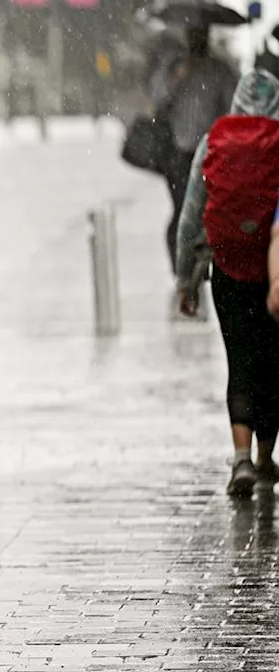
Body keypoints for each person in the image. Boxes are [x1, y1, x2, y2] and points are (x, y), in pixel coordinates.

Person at [175, 34, 279, 498]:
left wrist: (186, 279)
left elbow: (190, 218)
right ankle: (263, 456)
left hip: (228, 268)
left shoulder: (213, 141)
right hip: (273, 271)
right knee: (271, 360)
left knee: (239, 359)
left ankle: (239, 460)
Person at [154, 21, 237, 276]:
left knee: (204, 211)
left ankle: (201, 263)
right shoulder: (174, 67)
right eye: (193, 35)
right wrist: (178, 75)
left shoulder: (219, 70)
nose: (197, 41)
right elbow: (157, 97)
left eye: (201, 35)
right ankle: (180, 267)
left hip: (210, 153)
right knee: (181, 208)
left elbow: (232, 106)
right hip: (178, 150)